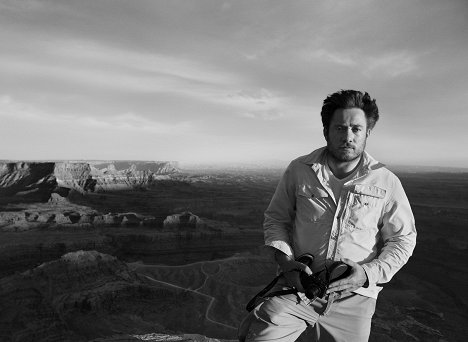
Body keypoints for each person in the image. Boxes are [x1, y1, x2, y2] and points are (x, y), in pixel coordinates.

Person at [242, 90, 417, 342]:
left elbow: (403, 239)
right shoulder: (299, 170)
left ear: (367, 132)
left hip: (354, 298)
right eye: (339, 128)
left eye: (356, 129)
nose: (348, 137)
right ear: (326, 131)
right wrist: (285, 261)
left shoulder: (386, 182)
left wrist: (368, 274)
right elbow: (276, 219)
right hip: (297, 289)